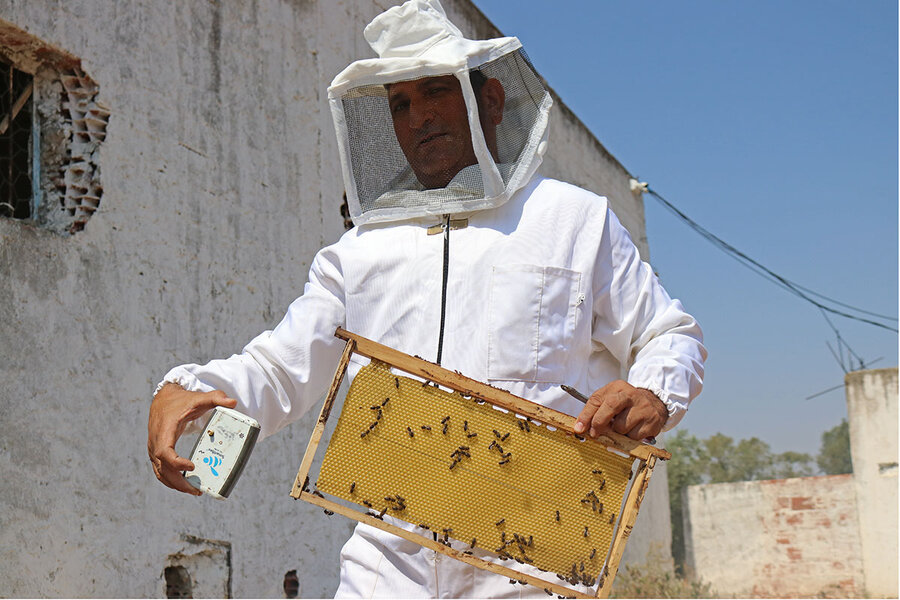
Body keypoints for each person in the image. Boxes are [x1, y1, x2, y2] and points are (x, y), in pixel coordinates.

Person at [148, 1, 706, 597]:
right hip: (384, 573)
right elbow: (280, 368)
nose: (419, 117)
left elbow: (669, 335)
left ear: (490, 102)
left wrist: (653, 391)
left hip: (529, 566)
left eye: (436, 91)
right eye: (400, 104)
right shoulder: (360, 250)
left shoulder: (571, 219)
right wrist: (188, 389)